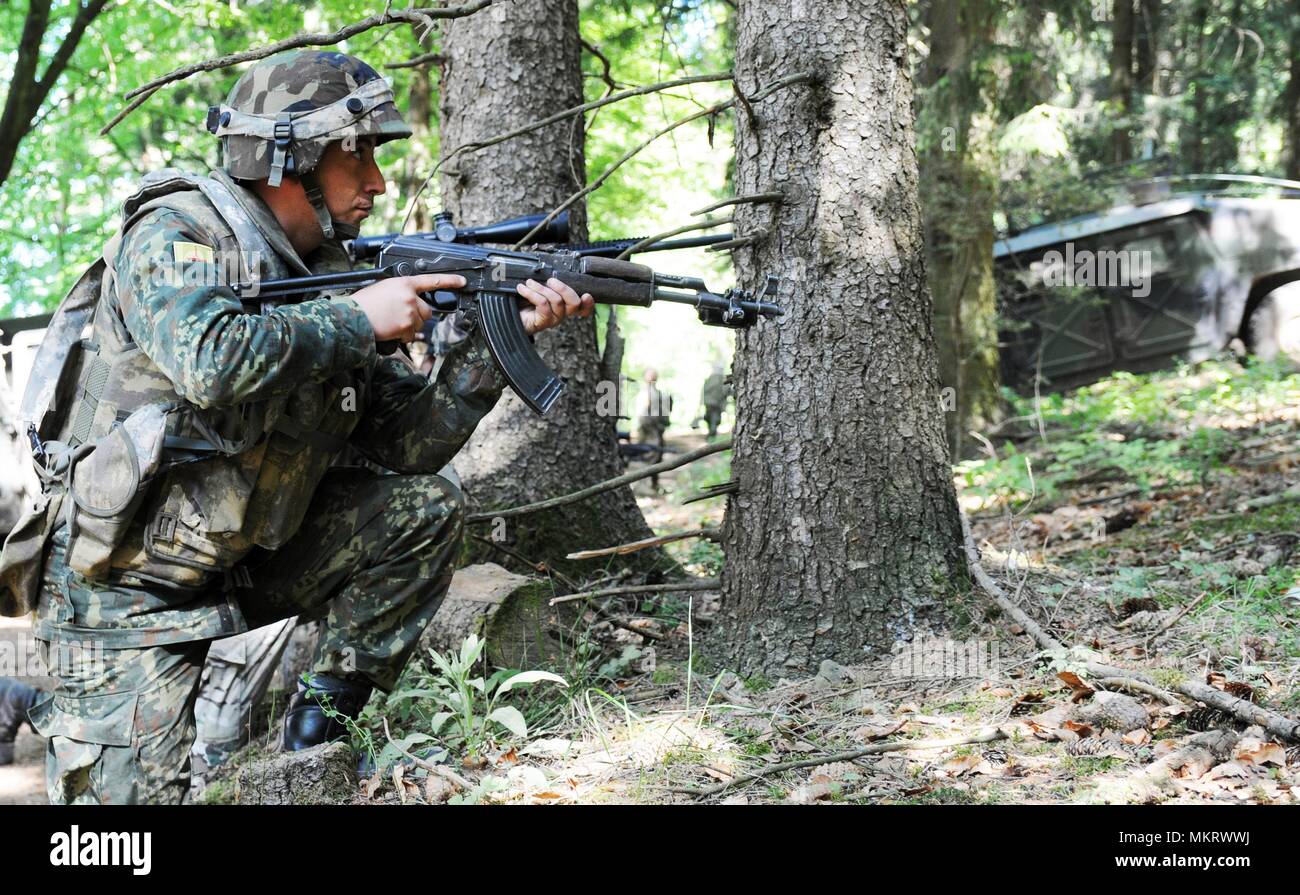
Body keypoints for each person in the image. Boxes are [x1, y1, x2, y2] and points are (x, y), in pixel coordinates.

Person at [0, 50, 593, 804]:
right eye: (360, 153)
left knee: (423, 513)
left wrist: (494, 349)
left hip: (235, 557)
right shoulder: (178, 228)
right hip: (120, 591)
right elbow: (209, 359)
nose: (377, 182)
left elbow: (405, 441)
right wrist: (356, 320)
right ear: (288, 157)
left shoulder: (326, 264)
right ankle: (34, 702)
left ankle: (313, 748)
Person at [694, 363, 731, 439]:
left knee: (710, 417)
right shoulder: (722, 378)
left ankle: (710, 431)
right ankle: (712, 432)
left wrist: (702, 402)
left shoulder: (710, 378)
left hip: (710, 402)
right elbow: (726, 391)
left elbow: (704, 391)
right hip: (717, 403)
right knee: (714, 418)